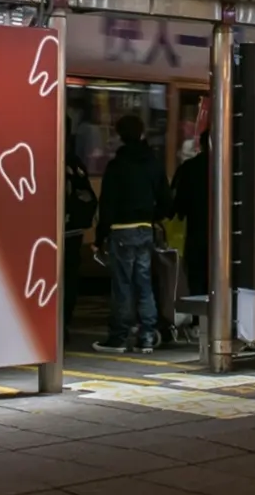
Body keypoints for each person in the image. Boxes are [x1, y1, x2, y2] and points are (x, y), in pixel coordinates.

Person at [93, 115, 171, 354]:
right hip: (145, 229)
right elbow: (167, 202)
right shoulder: (153, 163)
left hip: (121, 231)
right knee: (144, 283)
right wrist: (152, 216)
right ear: (141, 133)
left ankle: (119, 336)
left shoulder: (116, 166)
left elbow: (107, 205)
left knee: (123, 285)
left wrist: (99, 238)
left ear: (120, 136)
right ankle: (147, 336)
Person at [63, 129, 99, 335]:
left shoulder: (46, 159)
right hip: (74, 231)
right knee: (69, 278)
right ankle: (64, 322)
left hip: (52, 233)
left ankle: (57, 323)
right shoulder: (76, 164)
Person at [171, 130, 210, 297]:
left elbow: (178, 203)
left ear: (201, 144)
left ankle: (198, 311)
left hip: (196, 233)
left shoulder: (188, 168)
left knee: (196, 279)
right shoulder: (231, 168)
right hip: (226, 237)